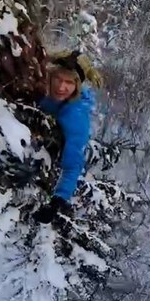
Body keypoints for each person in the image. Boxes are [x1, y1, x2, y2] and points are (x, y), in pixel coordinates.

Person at [33, 49, 102, 224]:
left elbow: (73, 166)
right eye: (58, 79)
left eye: (69, 82)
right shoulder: (40, 86)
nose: (61, 87)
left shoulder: (75, 116)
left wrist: (56, 202)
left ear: (77, 86)